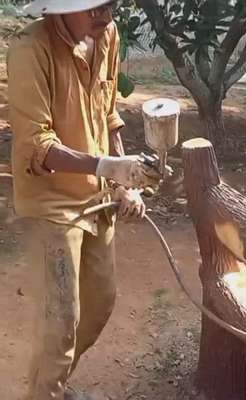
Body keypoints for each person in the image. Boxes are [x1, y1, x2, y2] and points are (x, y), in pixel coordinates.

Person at [7, 1, 161, 399]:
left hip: (96, 194)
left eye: (110, 5)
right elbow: (38, 146)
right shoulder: (29, 49)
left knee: (100, 303)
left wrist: (125, 182)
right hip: (50, 204)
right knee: (60, 321)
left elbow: (107, 115)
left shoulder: (106, 35)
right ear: (59, 8)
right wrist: (110, 167)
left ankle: (49, 387)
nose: (105, 16)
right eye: (94, 8)